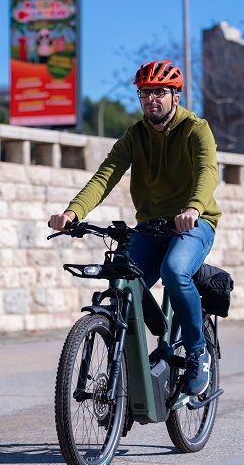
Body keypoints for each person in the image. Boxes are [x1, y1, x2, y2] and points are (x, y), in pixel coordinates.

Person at [48, 59, 221, 397]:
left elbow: (207, 171)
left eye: (159, 92)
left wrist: (193, 208)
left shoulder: (196, 129)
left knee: (174, 271)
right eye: (144, 93)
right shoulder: (135, 135)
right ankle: (144, 355)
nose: (151, 99)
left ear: (175, 96)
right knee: (122, 279)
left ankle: (197, 353)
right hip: (150, 227)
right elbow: (105, 175)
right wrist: (73, 212)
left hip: (194, 223)